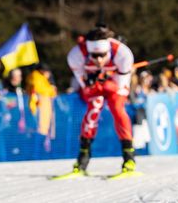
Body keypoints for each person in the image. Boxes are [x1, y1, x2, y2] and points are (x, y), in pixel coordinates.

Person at [55, 25, 137, 179]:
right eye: (94, 56)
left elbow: (119, 85)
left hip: (116, 83)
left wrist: (105, 80)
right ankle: (82, 160)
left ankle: (129, 158)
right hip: (95, 86)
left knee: (117, 109)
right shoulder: (76, 55)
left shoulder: (123, 54)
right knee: (93, 109)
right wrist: (92, 82)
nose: (98, 60)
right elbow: (85, 87)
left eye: (102, 55)